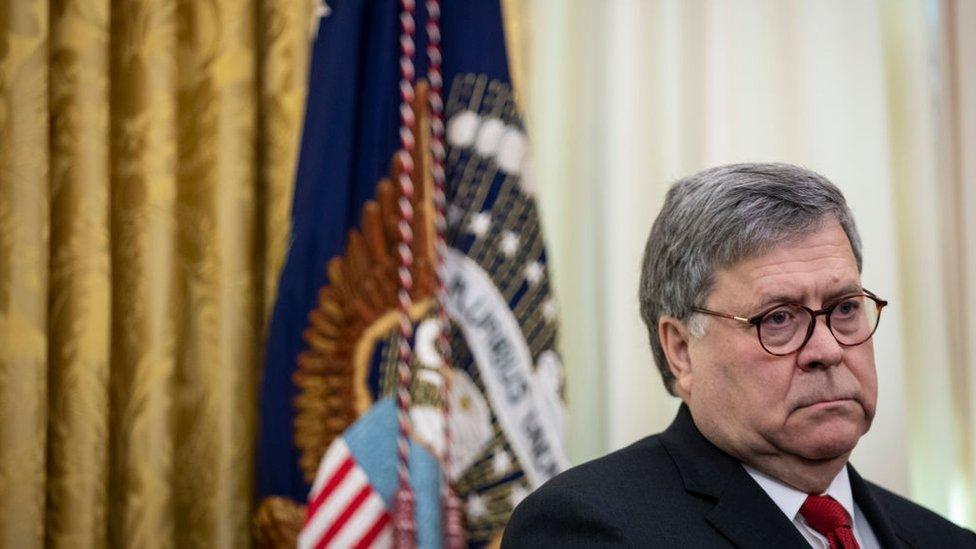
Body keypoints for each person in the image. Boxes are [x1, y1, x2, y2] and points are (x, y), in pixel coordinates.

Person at [501, 164, 976, 548]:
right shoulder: (587, 528)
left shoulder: (945, 539)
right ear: (681, 351)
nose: (828, 350)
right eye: (778, 318)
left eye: (845, 308)